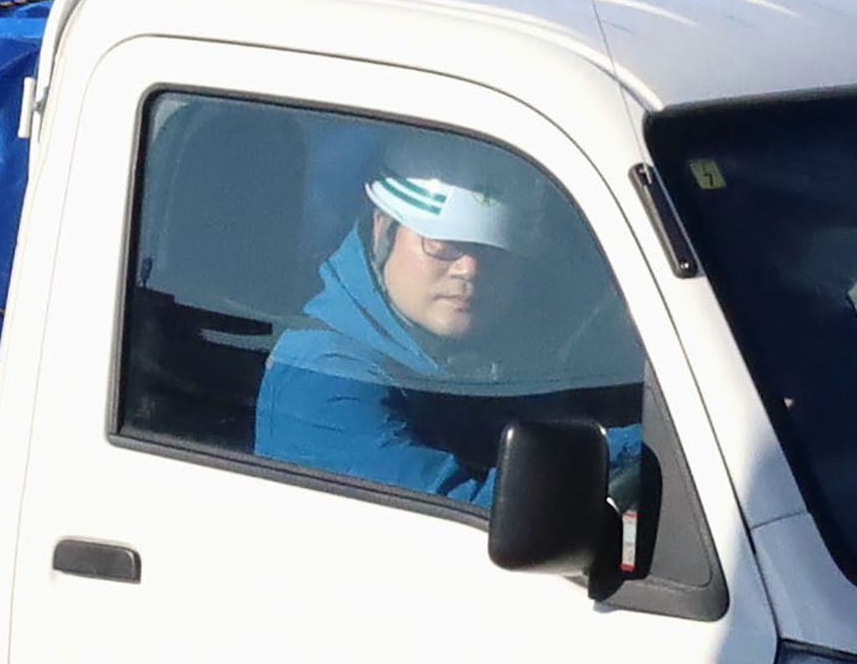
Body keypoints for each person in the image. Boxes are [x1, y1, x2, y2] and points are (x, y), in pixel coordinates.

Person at [254, 140, 641, 507]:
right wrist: (647, 449)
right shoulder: (322, 380)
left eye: (493, 251)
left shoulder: (501, 353)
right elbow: (464, 519)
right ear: (381, 228)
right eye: (443, 244)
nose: (470, 269)